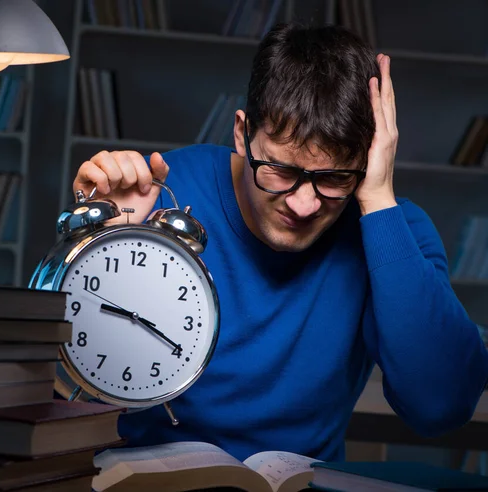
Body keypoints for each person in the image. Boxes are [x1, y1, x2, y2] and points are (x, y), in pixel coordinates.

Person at [72, 23, 488, 462]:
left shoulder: (391, 227)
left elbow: (440, 406)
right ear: (241, 134)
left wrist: (379, 201)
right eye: (282, 171)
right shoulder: (162, 191)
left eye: (334, 177)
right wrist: (102, 246)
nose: (305, 204)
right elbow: (65, 375)